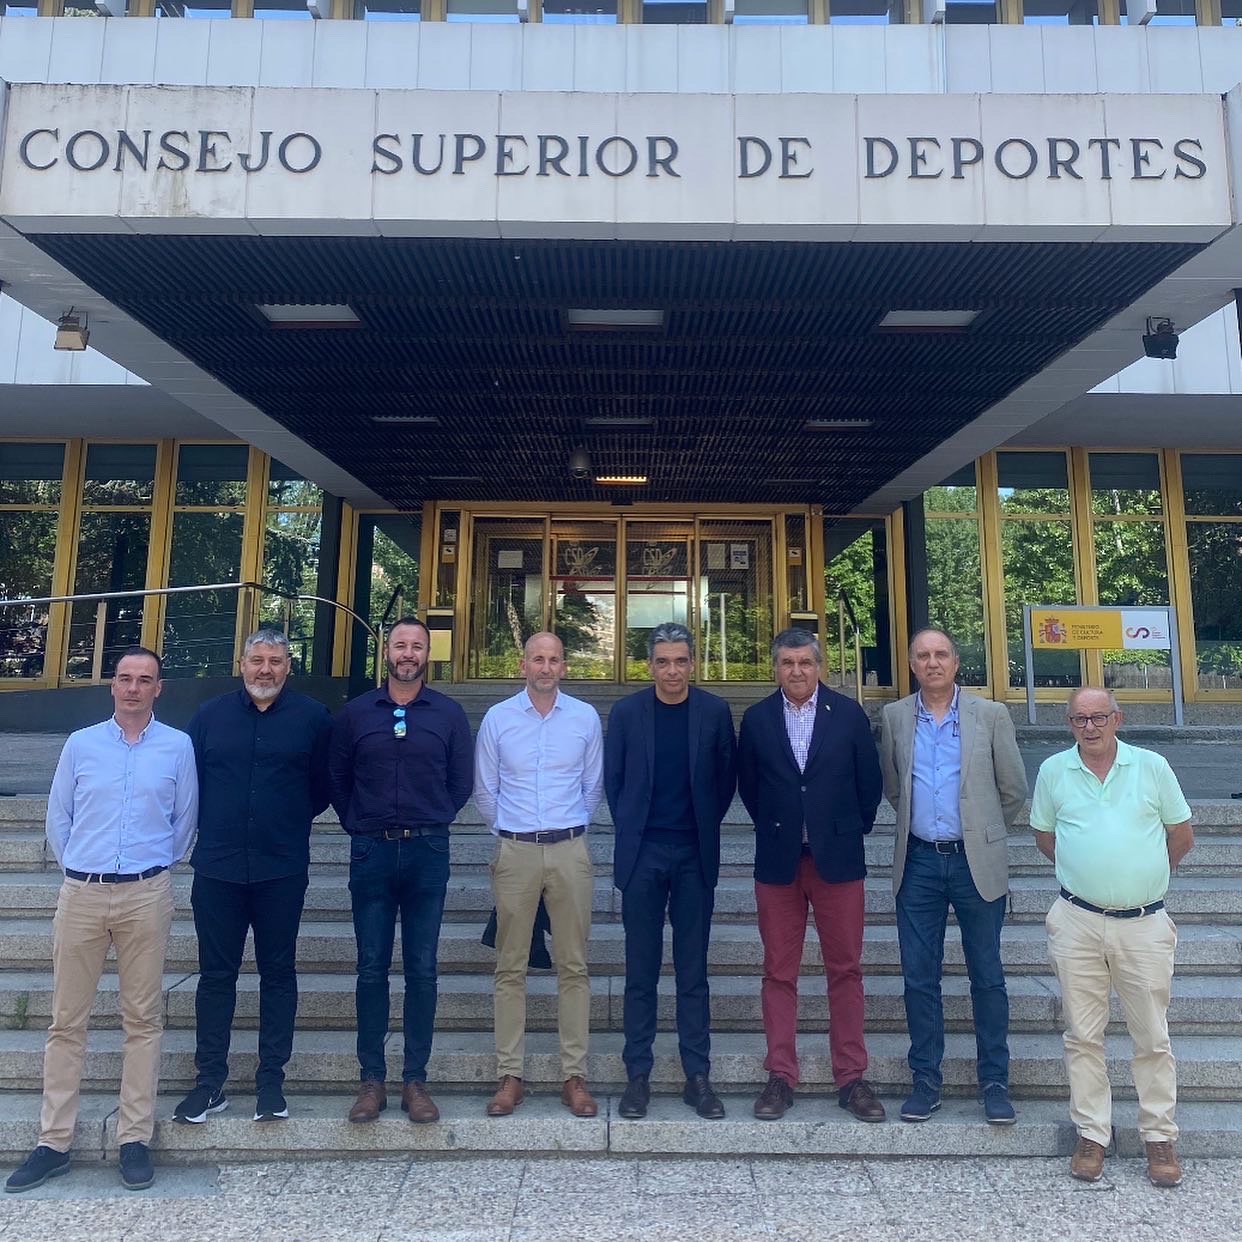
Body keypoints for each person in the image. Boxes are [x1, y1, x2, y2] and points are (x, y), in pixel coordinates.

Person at [6, 647, 196, 1194]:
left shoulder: (177, 747)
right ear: (112, 685)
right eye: (125, 678)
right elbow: (59, 815)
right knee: (66, 1022)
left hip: (145, 894)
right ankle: (53, 1142)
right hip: (83, 893)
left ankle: (134, 1138)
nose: (134, 688)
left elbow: (185, 821)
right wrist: (79, 868)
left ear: (158, 688)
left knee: (143, 1020)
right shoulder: (81, 743)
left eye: (145, 680)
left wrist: (150, 870)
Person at [1030, 686, 1194, 1188]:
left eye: (1099, 717)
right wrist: (1092, 875)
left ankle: (1159, 1136)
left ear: (1117, 719)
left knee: (1152, 1037)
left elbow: (1181, 834)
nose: (1090, 727)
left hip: (1143, 924)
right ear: (1069, 724)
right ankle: (1092, 1134)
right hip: (1077, 921)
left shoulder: (1151, 766)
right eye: (1080, 719)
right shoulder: (1053, 771)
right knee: (1082, 1035)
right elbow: (1045, 838)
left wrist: (1142, 877)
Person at [173, 629, 332, 1126]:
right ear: (241, 664)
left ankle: (271, 1084)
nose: (266, 669)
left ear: (289, 667)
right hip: (217, 868)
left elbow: (322, 788)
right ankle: (209, 1083)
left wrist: (283, 821)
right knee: (215, 977)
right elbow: (191, 784)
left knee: (278, 975)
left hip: (281, 868)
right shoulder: (209, 717)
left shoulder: (314, 718)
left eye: (276, 661)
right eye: (257, 660)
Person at [879, 626, 1028, 1126]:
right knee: (919, 978)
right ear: (911, 665)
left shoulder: (991, 714)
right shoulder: (895, 717)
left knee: (987, 976)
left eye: (941, 654)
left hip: (974, 863)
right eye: (922, 655)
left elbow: (1013, 789)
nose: (933, 662)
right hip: (919, 861)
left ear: (956, 662)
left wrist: (981, 832)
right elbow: (894, 788)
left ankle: (995, 1082)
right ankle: (925, 1080)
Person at [737, 628, 886, 1123]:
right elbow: (750, 787)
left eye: (805, 662)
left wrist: (840, 829)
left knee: (845, 969)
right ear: (775, 668)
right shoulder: (757, 719)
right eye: (787, 662)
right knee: (779, 972)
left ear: (819, 665)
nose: (796, 670)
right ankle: (780, 1075)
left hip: (837, 861)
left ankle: (852, 1077)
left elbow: (869, 784)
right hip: (779, 862)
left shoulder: (848, 714)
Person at [329, 617, 473, 1126]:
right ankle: (372, 1079)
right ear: (386, 652)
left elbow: (461, 783)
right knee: (371, 967)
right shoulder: (355, 713)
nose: (407, 653)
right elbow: (337, 777)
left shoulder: (449, 714)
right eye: (399, 645)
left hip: (427, 851)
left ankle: (415, 1080)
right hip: (371, 850)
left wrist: (435, 817)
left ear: (427, 655)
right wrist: (357, 823)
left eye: (416, 646)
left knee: (423, 968)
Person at [605, 622, 737, 1121]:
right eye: (663, 661)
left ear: (692, 663)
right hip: (643, 856)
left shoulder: (715, 712)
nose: (672, 670)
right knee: (640, 971)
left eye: (681, 661)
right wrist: (635, 830)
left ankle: (696, 1076)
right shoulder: (626, 713)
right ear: (650, 665)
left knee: (692, 972)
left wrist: (698, 826)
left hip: (693, 856)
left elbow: (725, 782)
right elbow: (614, 783)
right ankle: (637, 1076)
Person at [474, 632, 604, 1119]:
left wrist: (567, 829)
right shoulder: (498, 718)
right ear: (522, 665)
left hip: (570, 849)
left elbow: (592, 786)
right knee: (511, 967)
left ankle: (574, 1076)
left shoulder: (584, 718)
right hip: (516, 851)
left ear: (564, 667)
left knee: (574, 965)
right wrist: (513, 834)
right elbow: (485, 790)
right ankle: (510, 1074)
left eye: (554, 660)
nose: (545, 667)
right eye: (537, 659)